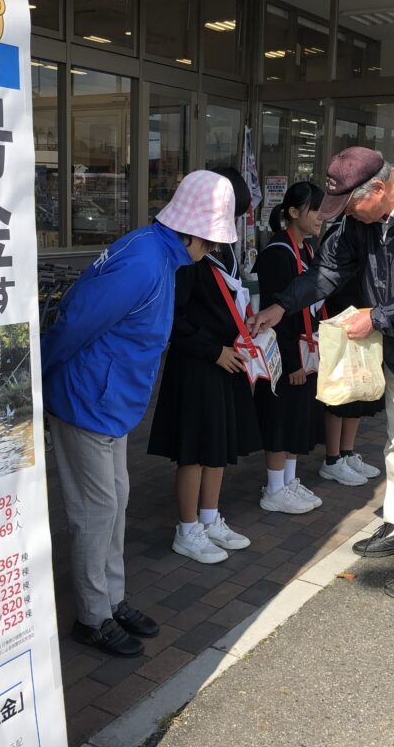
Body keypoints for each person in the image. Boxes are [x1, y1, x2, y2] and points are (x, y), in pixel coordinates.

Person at [249, 147, 394, 600]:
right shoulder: (362, 215)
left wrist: (374, 318)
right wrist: (282, 304)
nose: (347, 216)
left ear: (379, 188)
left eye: (351, 205)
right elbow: (330, 268)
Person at [42, 170, 237, 657]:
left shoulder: (156, 254)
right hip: (87, 399)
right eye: (211, 242)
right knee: (96, 511)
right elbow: (74, 322)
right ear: (193, 230)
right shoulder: (146, 263)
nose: (211, 250)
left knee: (115, 501)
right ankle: (92, 615)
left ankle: (111, 599)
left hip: (109, 401)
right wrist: (38, 379)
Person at [148, 167, 259, 565]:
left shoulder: (223, 247)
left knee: (217, 446)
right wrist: (213, 351)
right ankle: (187, 527)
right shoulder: (188, 252)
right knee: (193, 450)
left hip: (225, 359)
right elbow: (173, 318)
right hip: (199, 362)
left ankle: (210, 519)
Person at [253, 182, 325, 515]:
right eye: (315, 209)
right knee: (279, 417)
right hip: (283, 355)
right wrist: (294, 361)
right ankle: (274, 487)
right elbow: (276, 315)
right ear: (293, 213)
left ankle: (289, 481)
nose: (321, 216)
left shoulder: (307, 249)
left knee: (296, 416)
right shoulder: (277, 254)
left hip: (303, 350)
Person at [318, 212, 384, 487]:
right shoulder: (338, 234)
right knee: (340, 391)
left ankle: (347, 451)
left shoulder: (372, 232)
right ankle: (332, 459)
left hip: (366, 317)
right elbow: (326, 280)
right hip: (341, 319)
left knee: (360, 389)